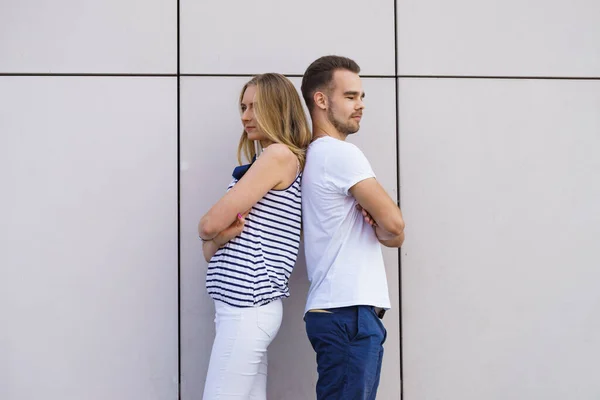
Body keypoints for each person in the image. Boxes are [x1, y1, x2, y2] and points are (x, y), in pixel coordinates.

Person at [198, 73, 311, 399]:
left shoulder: (277, 157)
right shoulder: (268, 161)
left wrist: (208, 231)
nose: (245, 116)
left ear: (277, 108)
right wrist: (215, 238)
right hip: (245, 306)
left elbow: (208, 226)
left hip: (247, 307)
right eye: (242, 106)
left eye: (255, 107)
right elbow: (211, 245)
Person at [300, 55, 406, 399]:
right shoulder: (341, 155)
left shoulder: (315, 155)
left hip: (341, 311)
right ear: (320, 100)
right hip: (349, 313)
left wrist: (391, 230)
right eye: (350, 97)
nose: (360, 105)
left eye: (361, 97)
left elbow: (394, 234)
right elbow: (394, 225)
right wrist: (387, 227)